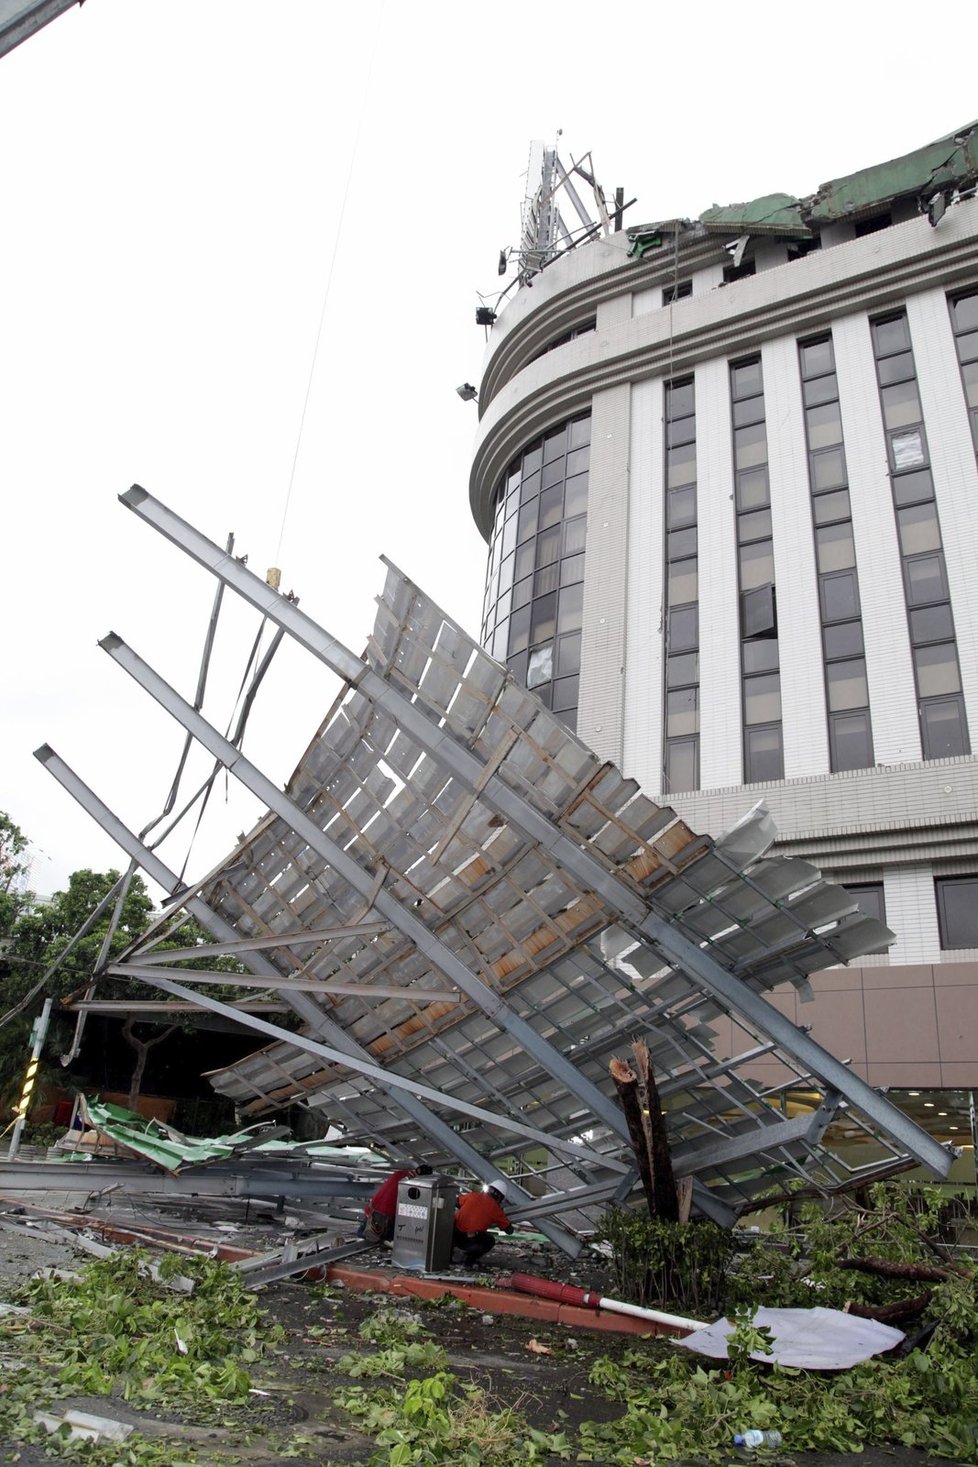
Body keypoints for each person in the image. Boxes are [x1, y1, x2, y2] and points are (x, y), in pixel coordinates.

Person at [361, 1163, 432, 1243]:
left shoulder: (399, 1174)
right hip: (384, 1215)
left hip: (372, 1208)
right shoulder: (412, 1184)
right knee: (379, 1238)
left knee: (364, 1232)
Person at [453, 1179, 514, 1267]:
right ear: (500, 1197)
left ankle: (448, 1257)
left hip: (454, 1235)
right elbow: (509, 1230)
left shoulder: (472, 1195)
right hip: (470, 1241)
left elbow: (456, 1202)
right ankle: (470, 1260)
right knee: (490, 1240)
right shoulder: (496, 1209)